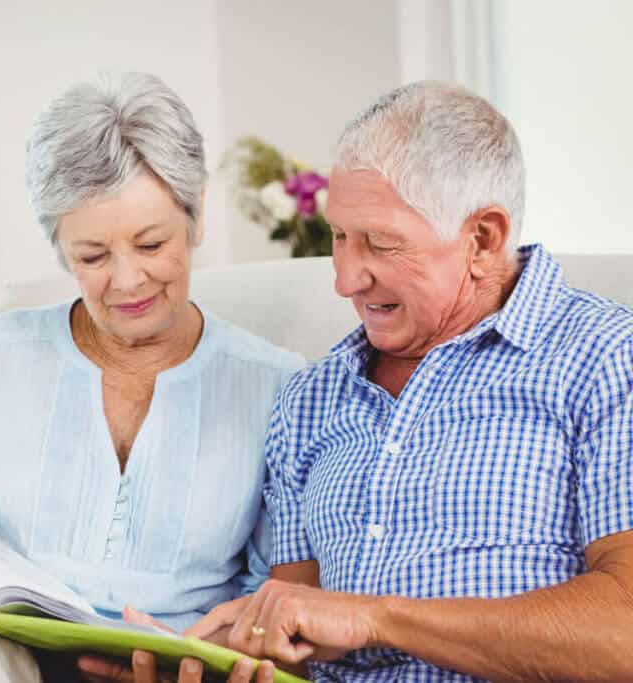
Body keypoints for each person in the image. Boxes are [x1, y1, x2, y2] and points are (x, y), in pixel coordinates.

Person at [103, 80, 633, 683]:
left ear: (482, 239)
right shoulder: (309, 401)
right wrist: (209, 661)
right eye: (339, 237)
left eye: (380, 243)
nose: (346, 279)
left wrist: (376, 618)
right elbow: (290, 645)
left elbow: (625, 633)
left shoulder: (608, 359)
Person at [0, 71, 304, 682]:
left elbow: (279, 589)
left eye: (150, 245)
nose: (126, 281)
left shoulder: (278, 387)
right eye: (92, 256)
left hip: (169, 663)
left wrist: (214, 645)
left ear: (195, 217)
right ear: (59, 247)